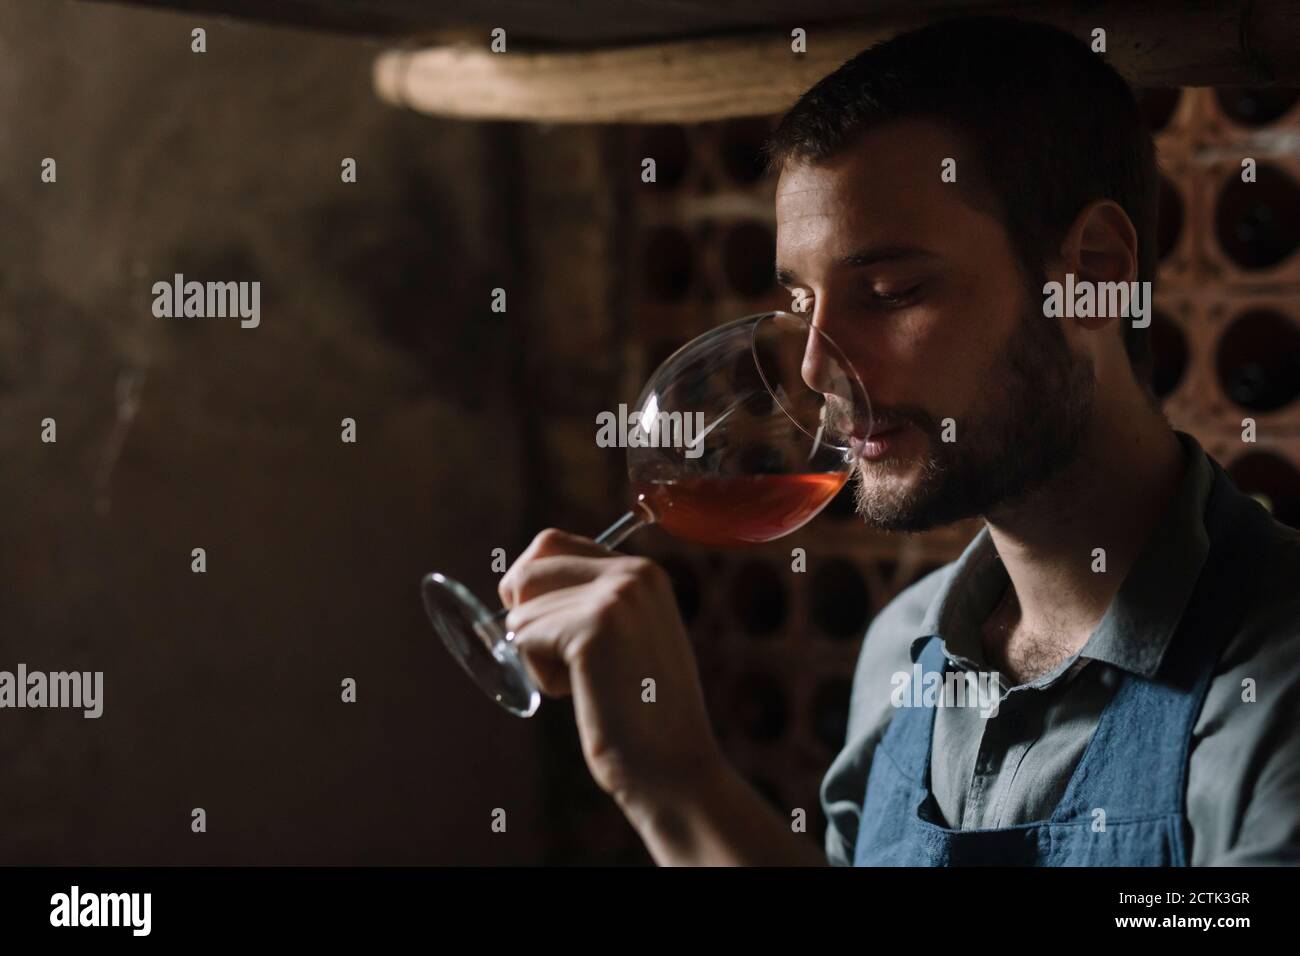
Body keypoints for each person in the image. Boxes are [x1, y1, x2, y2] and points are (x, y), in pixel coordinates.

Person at [497, 17, 1300, 865]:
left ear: (1094, 275)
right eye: (803, 306)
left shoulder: (1274, 682)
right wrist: (670, 784)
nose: (814, 370)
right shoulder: (902, 648)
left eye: (889, 291)